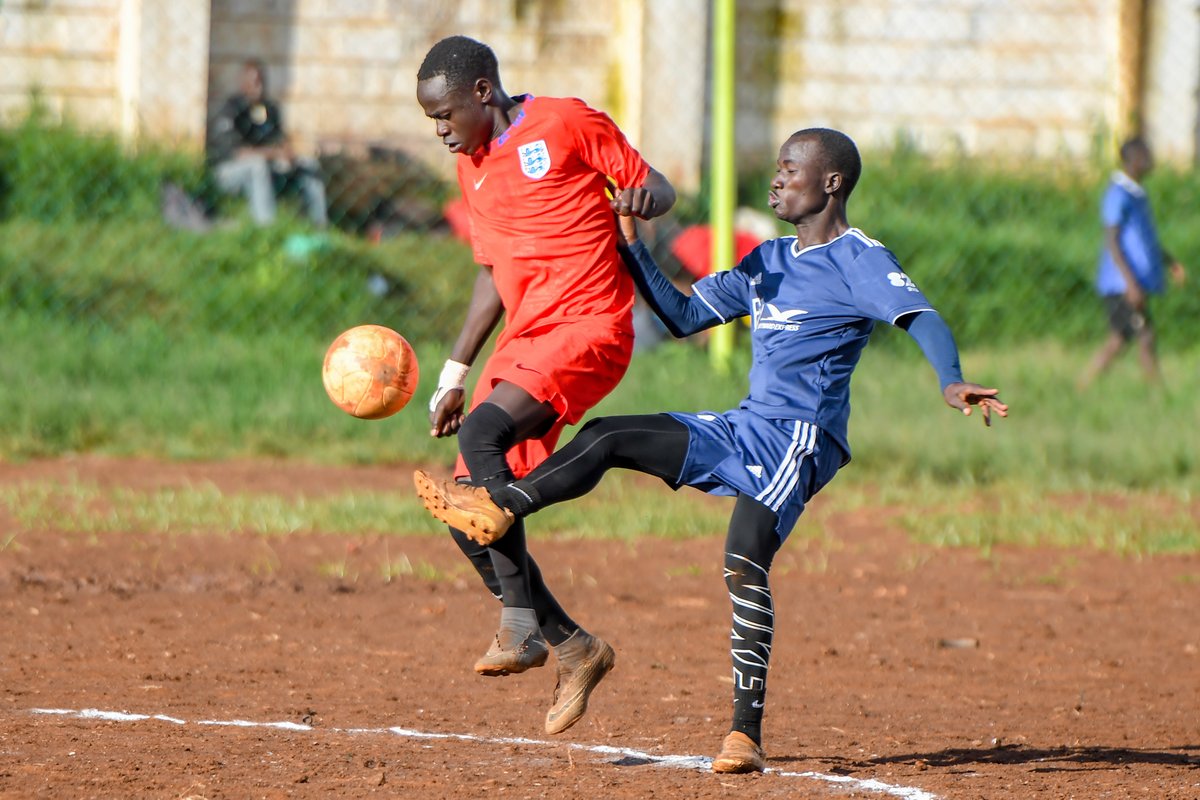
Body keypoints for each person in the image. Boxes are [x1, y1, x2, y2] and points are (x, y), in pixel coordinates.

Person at [414, 128, 1007, 772]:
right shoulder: (769, 258)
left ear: (831, 184)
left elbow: (921, 316)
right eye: (776, 168)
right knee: (608, 436)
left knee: (742, 561)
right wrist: (631, 245)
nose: (776, 180)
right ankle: (500, 505)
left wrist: (950, 378)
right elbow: (683, 316)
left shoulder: (857, 257)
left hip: (799, 439)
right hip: (744, 426)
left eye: (789, 169)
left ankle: (743, 737)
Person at [410, 36, 676, 735]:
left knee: (482, 443)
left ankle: (519, 626)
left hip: (590, 326)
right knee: (466, 508)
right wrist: (455, 373)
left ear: (481, 92)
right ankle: (573, 646)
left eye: (444, 114)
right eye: (428, 118)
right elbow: (491, 273)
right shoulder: (471, 169)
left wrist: (648, 199)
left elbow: (658, 183)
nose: (438, 129)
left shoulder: (564, 122)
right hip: (524, 343)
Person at [1079, 136, 1186, 388]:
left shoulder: (1137, 194)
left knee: (1134, 337)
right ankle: (1084, 387)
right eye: (1147, 155)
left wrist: (1169, 261)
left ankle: (1155, 395)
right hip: (1121, 283)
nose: (1152, 160)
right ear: (1134, 160)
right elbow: (1113, 242)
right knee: (1130, 338)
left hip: (1133, 281)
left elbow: (1143, 239)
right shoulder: (1118, 195)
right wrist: (1130, 283)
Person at [208, 59, 328, 227]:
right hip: (230, 173)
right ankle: (266, 229)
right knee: (257, 165)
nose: (260, 87)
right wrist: (274, 153)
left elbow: (280, 141)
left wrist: (288, 154)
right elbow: (238, 154)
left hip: (268, 168)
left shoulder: (270, 109)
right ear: (244, 84)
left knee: (309, 164)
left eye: (262, 82)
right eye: (255, 82)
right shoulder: (232, 109)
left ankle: (319, 227)